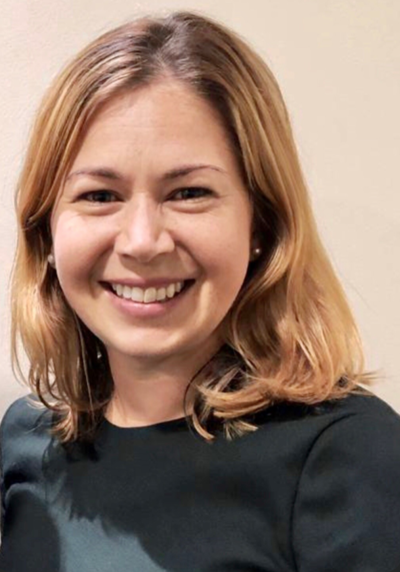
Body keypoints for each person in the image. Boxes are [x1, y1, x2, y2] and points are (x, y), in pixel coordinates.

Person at [0, 10, 399, 572]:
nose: (142, 242)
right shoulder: (24, 439)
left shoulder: (346, 454)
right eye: (99, 196)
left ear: (261, 224)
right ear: (46, 232)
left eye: (188, 193)